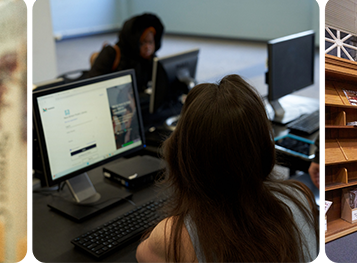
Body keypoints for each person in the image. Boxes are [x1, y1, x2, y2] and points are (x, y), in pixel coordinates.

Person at [135, 75, 317, 263]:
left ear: (182, 155)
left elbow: (141, 254)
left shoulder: (172, 236)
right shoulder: (300, 197)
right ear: (263, 149)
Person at [82, 13, 164, 96]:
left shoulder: (150, 59)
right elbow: (91, 87)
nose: (148, 47)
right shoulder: (111, 53)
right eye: (143, 43)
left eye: (150, 42)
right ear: (134, 42)